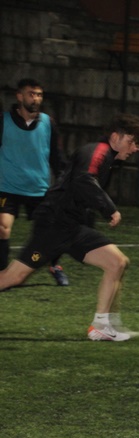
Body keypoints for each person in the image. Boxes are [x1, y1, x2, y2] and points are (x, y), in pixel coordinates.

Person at [0, 114, 139, 342]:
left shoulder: (106, 157)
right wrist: (109, 209)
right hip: (54, 224)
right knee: (13, 277)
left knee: (117, 262)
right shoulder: (98, 151)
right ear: (115, 137)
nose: (135, 148)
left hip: (71, 226)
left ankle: (101, 326)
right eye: (131, 141)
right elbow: (84, 179)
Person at [0, 78, 69, 286]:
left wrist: (63, 179)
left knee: (50, 231)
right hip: (7, 187)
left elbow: (56, 155)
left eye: (39, 95)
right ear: (19, 96)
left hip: (38, 189)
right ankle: (2, 272)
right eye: (31, 94)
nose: (36, 99)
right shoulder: (3, 121)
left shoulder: (48, 123)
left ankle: (54, 265)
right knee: (2, 227)